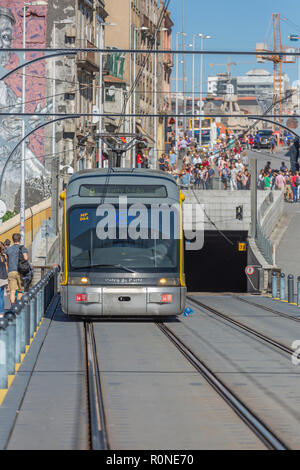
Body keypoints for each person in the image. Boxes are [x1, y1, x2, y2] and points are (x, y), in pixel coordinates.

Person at [4, 233, 28, 305]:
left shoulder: (8, 249)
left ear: (13, 239)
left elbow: (5, 258)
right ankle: (18, 306)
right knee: (20, 290)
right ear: (20, 240)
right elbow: (26, 258)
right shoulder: (22, 248)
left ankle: (12, 306)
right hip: (20, 271)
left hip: (11, 271)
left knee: (12, 291)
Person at [0, 242, 7, 317]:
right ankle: (1, 312)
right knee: (1, 296)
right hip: (4, 277)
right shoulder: (4, 256)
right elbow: (6, 267)